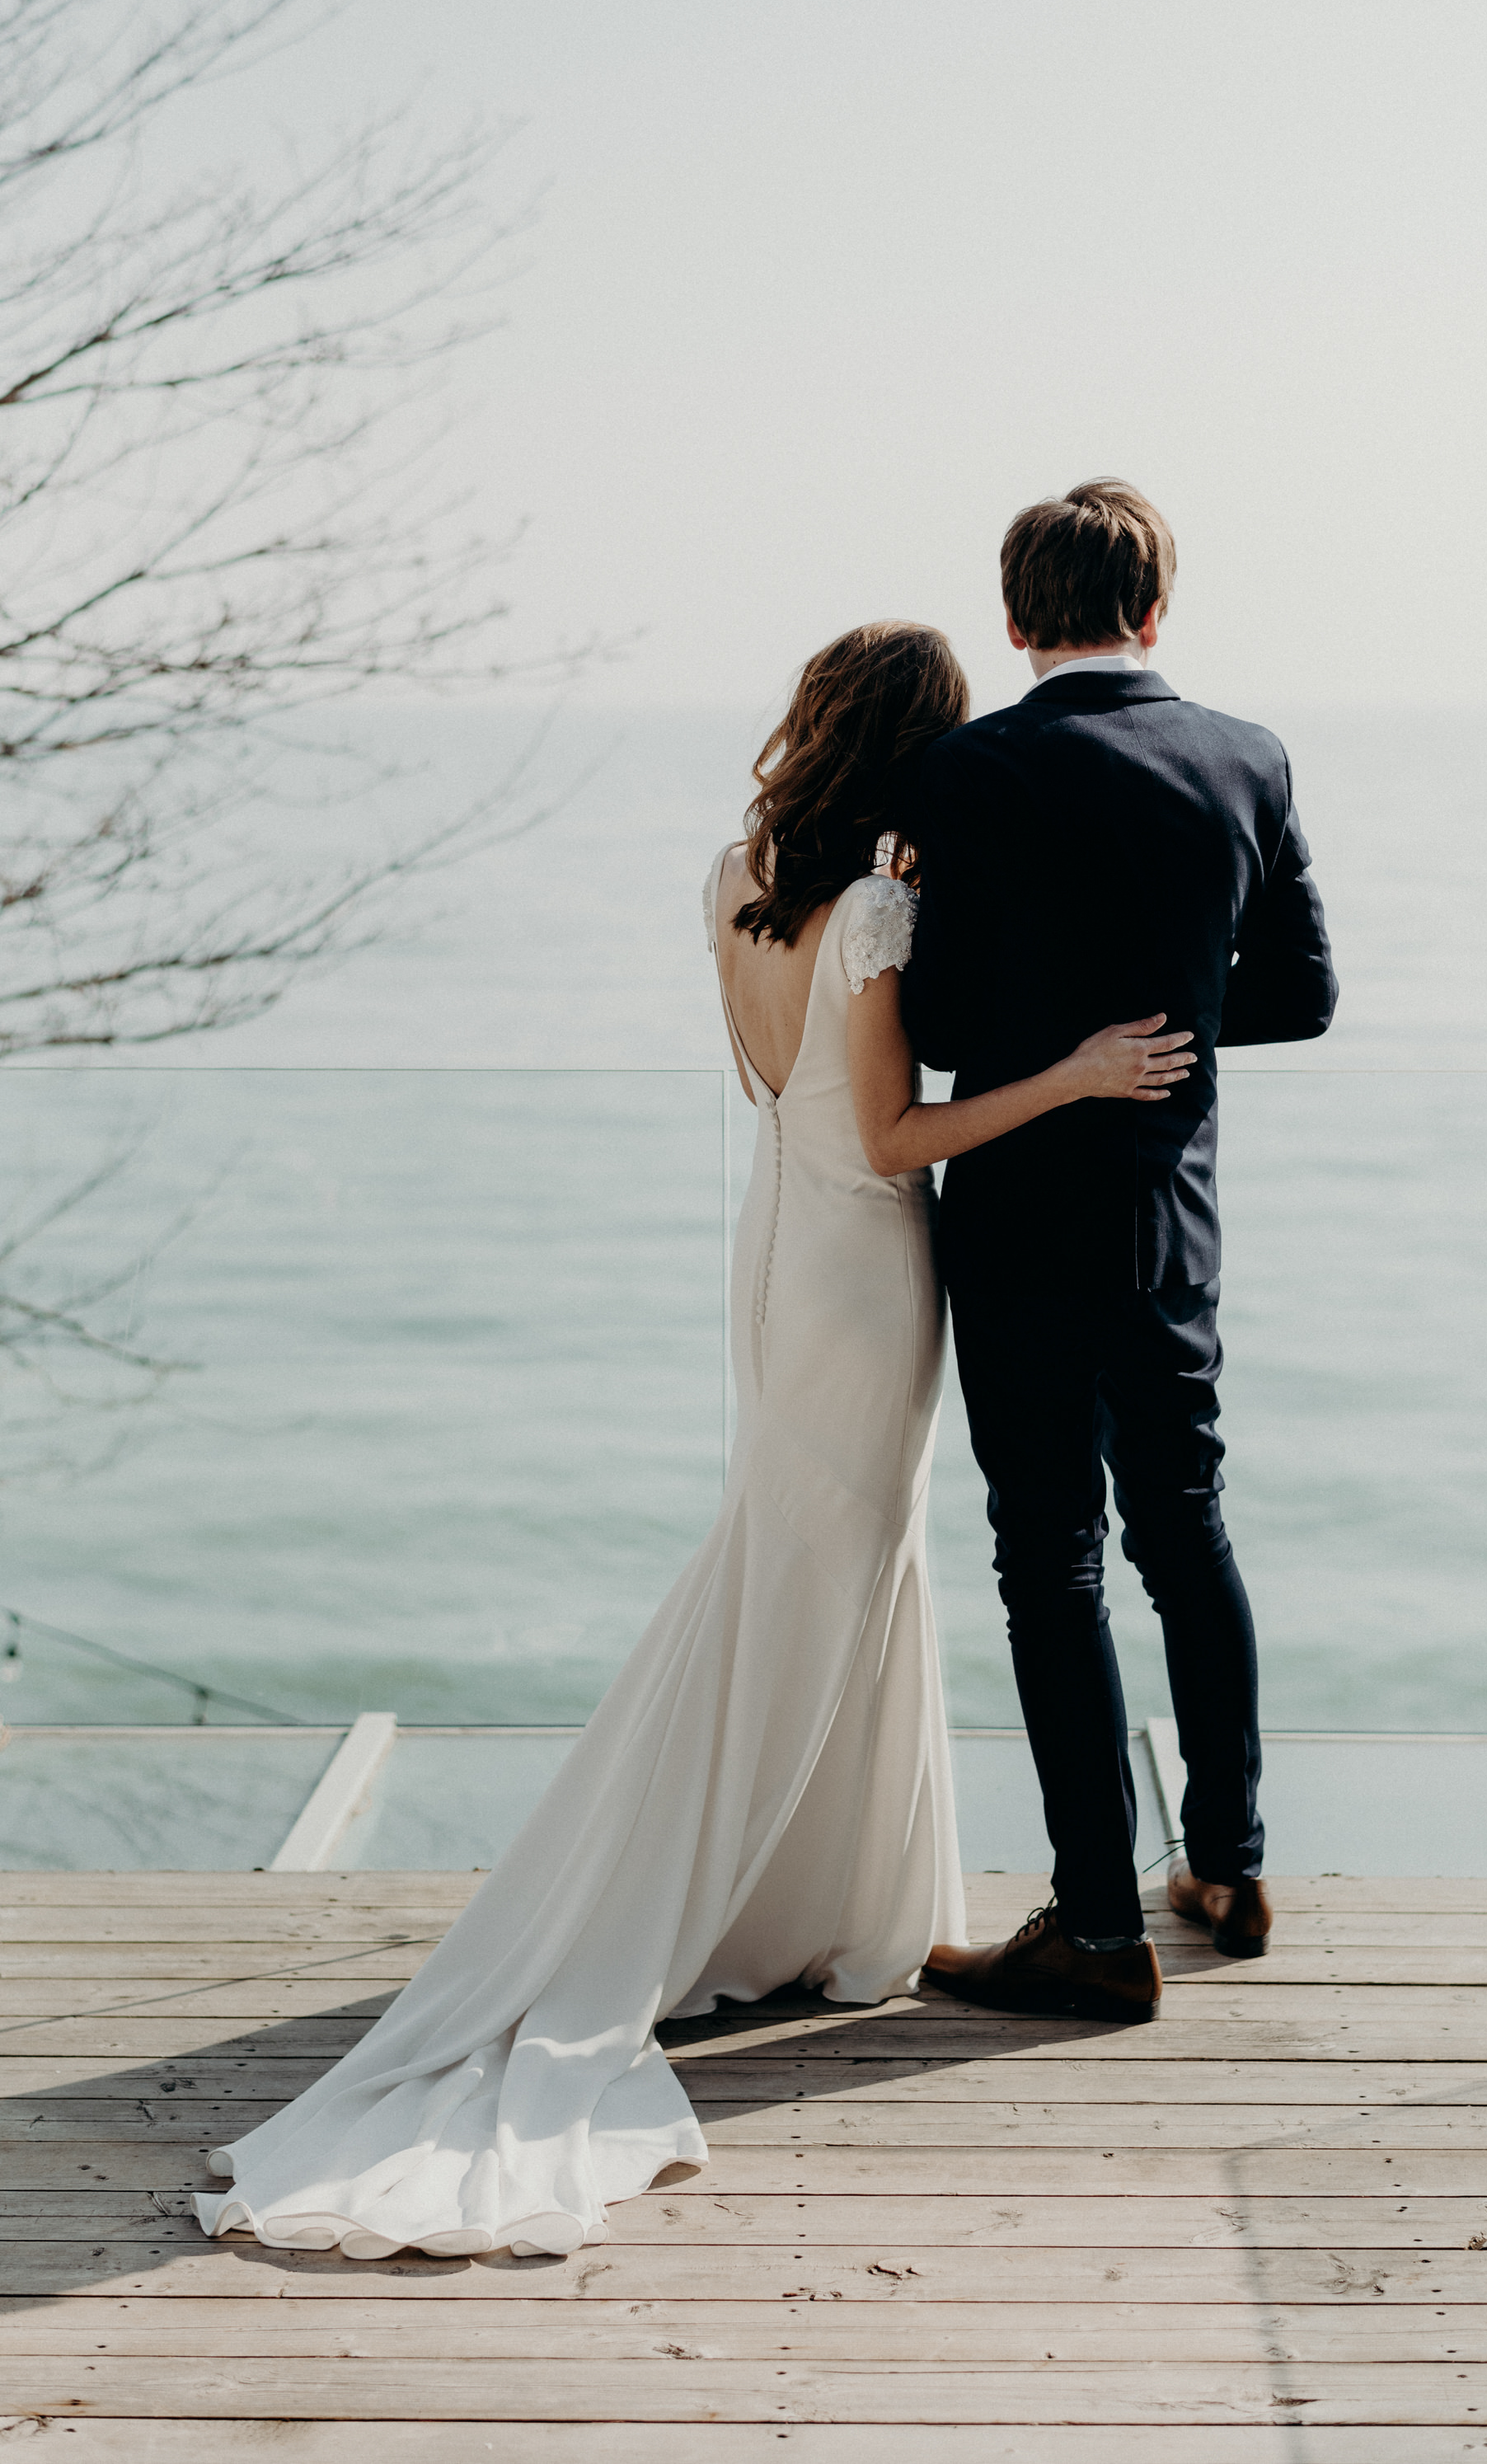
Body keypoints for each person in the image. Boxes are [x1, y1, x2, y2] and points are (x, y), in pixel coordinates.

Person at [191, 618, 1193, 2261]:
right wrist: (1075, 1074)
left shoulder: (733, 875)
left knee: (806, 1572)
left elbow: (773, 1087)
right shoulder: (877, 911)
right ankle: (744, 1899)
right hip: (865, 1265)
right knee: (832, 1578)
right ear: (914, 749)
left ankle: (818, 1904)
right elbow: (888, 1136)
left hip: (772, 1252)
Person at [912, 481, 1338, 2019]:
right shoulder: (1248, 757)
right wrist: (1168, 1027)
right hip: (1172, 1221)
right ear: (1156, 609)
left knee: (1050, 1566)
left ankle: (1096, 1927)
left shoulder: (970, 770)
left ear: (1017, 619)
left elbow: (945, 1024)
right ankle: (1226, 1864)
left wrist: (1059, 1037)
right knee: (1187, 1530)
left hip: (1022, 1223)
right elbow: (1300, 996)